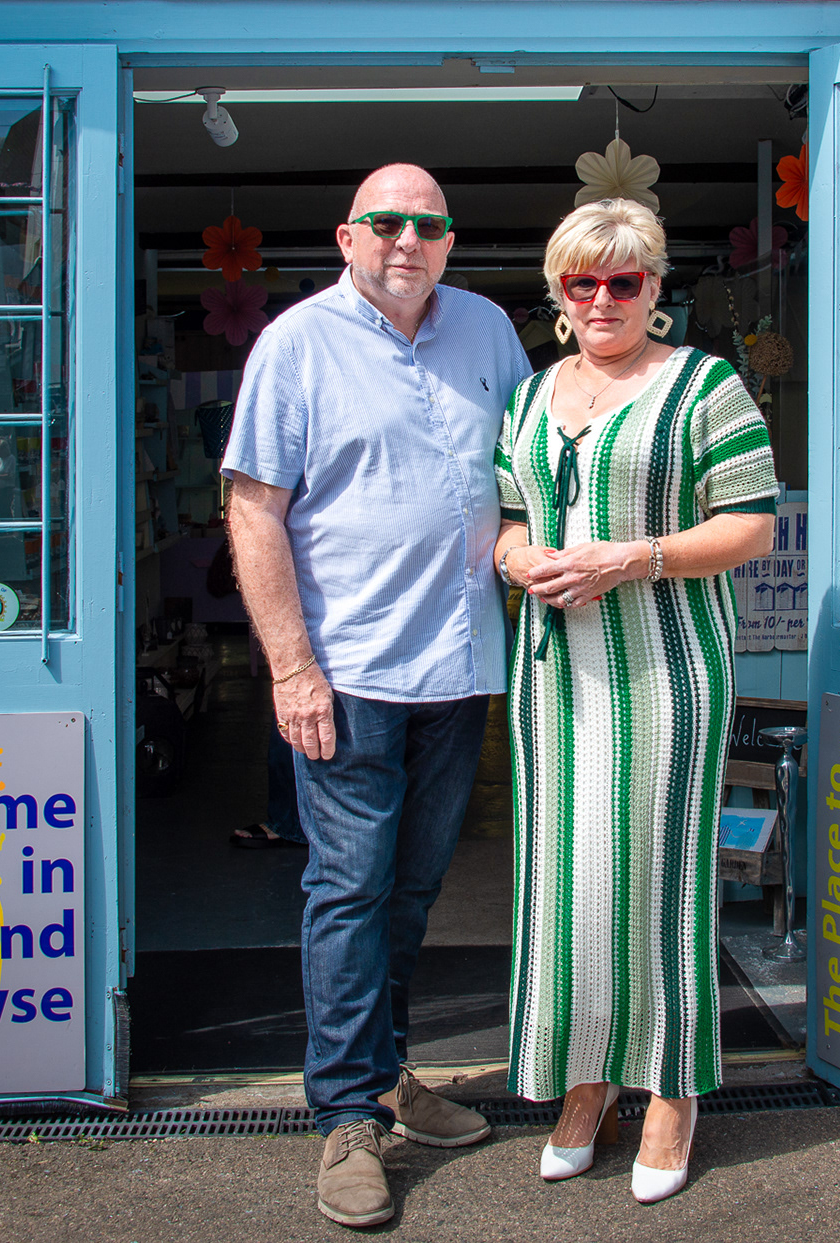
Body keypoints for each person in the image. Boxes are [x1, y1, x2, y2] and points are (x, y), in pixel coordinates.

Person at [222, 163, 531, 1229]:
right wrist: (290, 667)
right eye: (389, 223)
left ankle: (391, 1076)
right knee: (349, 889)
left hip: (463, 667)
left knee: (410, 890)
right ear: (349, 235)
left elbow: (528, 480)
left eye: (430, 225)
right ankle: (346, 1115)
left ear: (450, 240)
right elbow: (255, 510)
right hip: (348, 673)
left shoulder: (490, 329)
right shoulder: (297, 343)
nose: (409, 240)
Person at [492, 199, 776, 1204]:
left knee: (656, 878)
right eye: (583, 282)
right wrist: (521, 558)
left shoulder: (706, 386)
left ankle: (673, 1087)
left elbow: (751, 526)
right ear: (560, 294)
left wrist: (634, 558)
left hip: (664, 667)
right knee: (564, 886)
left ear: (657, 289)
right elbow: (511, 518)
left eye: (625, 281)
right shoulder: (530, 395)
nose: (603, 299)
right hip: (552, 674)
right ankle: (586, 1081)